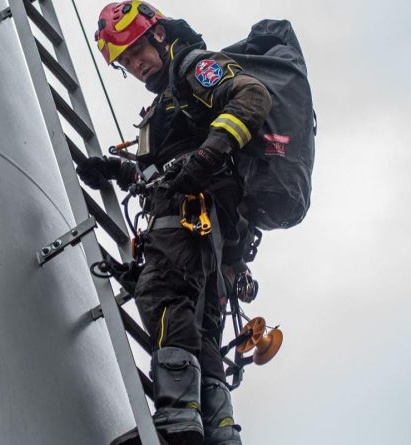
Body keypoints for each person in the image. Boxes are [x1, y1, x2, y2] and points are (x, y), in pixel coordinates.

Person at [76, 2, 272, 444]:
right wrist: (115, 170)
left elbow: (253, 96)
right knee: (200, 328)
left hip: (191, 217)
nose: (136, 64)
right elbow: (164, 170)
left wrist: (207, 156)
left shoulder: (193, 68)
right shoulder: (169, 103)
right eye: (125, 61)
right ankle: (220, 433)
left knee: (165, 295)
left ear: (159, 35)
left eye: (137, 50)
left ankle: (178, 421)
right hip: (204, 227)